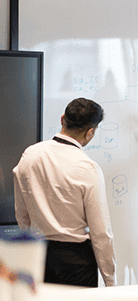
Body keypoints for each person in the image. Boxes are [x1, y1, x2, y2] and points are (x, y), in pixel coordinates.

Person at [13, 98, 116, 287]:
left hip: (40, 256)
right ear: (90, 132)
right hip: (76, 262)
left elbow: (22, 214)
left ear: (62, 119)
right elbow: (100, 233)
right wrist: (110, 279)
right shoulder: (87, 168)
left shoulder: (29, 155)